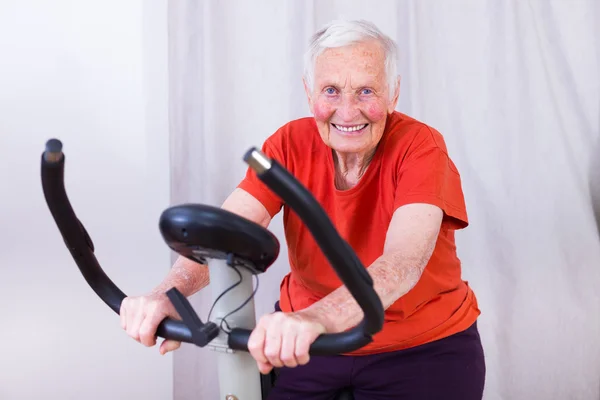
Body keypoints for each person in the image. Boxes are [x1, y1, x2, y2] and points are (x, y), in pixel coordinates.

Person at [120, 19, 486, 399]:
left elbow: (403, 262)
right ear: (309, 92)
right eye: (331, 90)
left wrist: (315, 320)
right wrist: (168, 294)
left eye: (366, 91)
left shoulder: (420, 147)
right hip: (309, 348)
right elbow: (224, 235)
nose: (347, 111)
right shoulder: (289, 144)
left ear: (393, 94)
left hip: (419, 349)